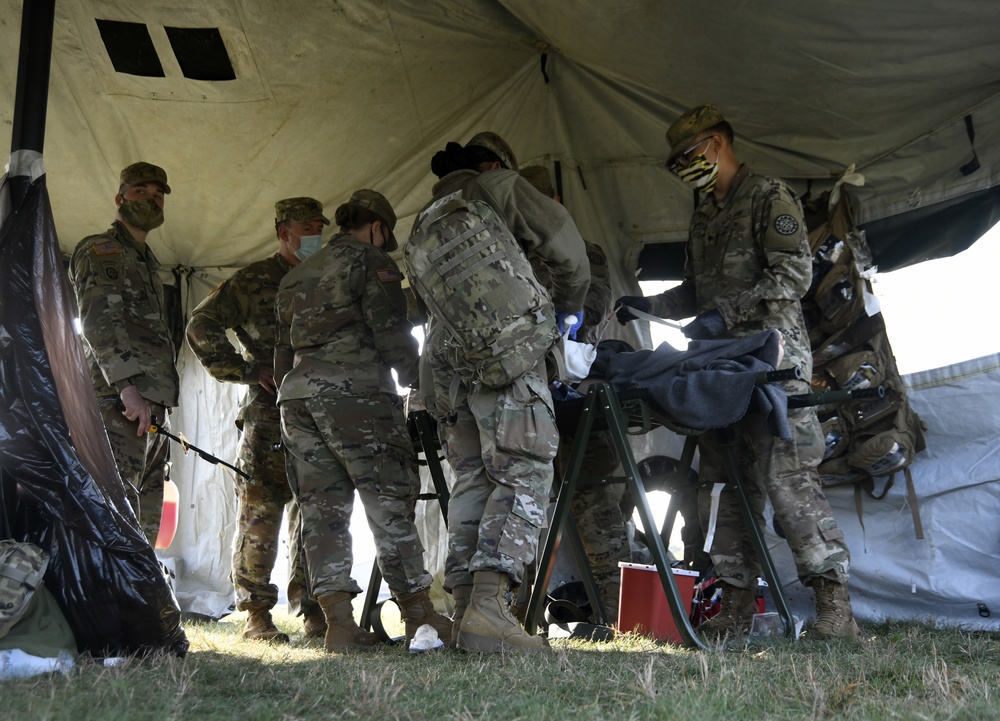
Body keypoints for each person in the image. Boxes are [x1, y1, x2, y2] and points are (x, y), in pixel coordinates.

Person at [616, 104, 859, 640]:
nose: (684, 167)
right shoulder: (705, 211)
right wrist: (648, 303)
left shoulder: (769, 196)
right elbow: (698, 292)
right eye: (677, 161)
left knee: (787, 479)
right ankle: (734, 608)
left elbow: (794, 274)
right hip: (721, 375)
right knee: (726, 486)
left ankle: (834, 609)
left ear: (717, 143)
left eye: (689, 155)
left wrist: (723, 315)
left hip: (773, 365)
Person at [411, 133, 590, 653]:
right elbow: (571, 254)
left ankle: (467, 608)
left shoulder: (427, 216)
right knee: (524, 466)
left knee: (473, 478)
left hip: (446, 365)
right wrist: (565, 315)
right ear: (495, 164)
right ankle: (491, 608)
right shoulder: (502, 187)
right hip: (504, 351)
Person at [274, 189, 451, 652]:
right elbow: (392, 332)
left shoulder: (299, 272)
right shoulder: (373, 262)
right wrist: (423, 388)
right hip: (357, 395)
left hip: (297, 398)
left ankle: (338, 625)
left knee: (323, 512)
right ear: (377, 228)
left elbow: (280, 352)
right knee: (388, 502)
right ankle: (420, 617)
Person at [186, 198, 329, 643]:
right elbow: (201, 325)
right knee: (261, 511)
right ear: (283, 232)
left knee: (317, 510)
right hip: (269, 414)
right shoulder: (252, 281)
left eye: (318, 227)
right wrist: (249, 371)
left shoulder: (327, 277)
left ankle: (316, 610)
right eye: (306, 228)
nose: (315, 236)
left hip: (320, 412)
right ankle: (257, 615)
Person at [517, 165, 630, 625]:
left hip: (574, 395)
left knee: (595, 500)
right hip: (523, 396)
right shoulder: (505, 253)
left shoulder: (586, 252)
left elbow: (589, 309)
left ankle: (620, 613)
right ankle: (515, 613)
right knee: (517, 504)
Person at [69, 162, 179, 547]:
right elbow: (98, 320)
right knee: (111, 506)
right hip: (120, 401)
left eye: (158, 196)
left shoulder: (146, 260)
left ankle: (140, 596)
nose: (152, 200)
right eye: (141, 192)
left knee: (145, 509)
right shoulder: (103, 250)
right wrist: (126, 387)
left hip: (150, 403)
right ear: (120, 199)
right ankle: (103, 598)